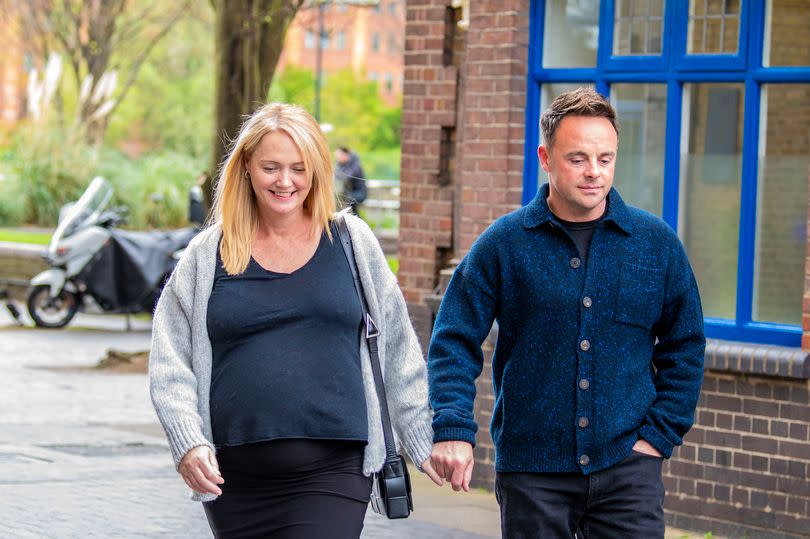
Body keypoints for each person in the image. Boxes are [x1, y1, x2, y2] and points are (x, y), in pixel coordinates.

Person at [149, 102, 440, 539]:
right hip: (234, 482)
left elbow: (398, 346)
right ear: (246, 167)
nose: (285, 181)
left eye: (298, 168)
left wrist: (421, 437)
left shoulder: (351, 242)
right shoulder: (208, 255)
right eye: (271, 167)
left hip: (335, 469)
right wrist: (188, 442)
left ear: (317, 171)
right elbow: (170, 361)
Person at [426, 88, 705, 538]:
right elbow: (453, 337)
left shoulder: (655, 245)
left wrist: (657, 437)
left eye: (605, 158)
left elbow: (685, 345)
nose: (594, 172)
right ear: (545, 157)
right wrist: (453, 425)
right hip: (532, 473)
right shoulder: (505, 244)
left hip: (628, 471)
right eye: (578, 159)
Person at [334, 146, 367, 215]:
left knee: (345, 200)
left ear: (345, 154)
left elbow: (347, 176)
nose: (337, 159)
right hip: (350, 193)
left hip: (360, 193)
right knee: (341, 198)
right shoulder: (343, 165)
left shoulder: (355, 165)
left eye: (339, 156)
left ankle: (353, 221)